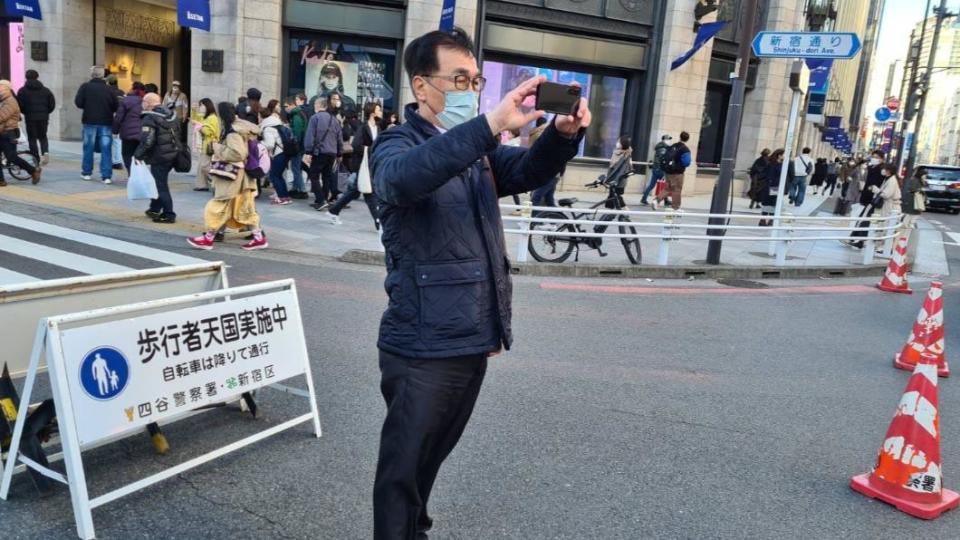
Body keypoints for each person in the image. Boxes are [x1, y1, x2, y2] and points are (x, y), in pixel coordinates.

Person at [370, 27, 590, 539]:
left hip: (470, 337)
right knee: (401, 472)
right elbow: (402, 179)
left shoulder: (477, 151)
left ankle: (414, 530)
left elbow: (530, 168)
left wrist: (560, 133)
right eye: (460, 79)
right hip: (421, 345)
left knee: (431, 457)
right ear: (422, 87)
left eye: (477, 79)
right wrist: (489, 125)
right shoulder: (396, 144)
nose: (471, 89)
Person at [186, 116, 268, 251]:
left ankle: (208, 238)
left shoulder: (233, 133)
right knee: (243, 208)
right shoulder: (243, 130)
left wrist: (217, 147)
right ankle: (258, 238)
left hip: (234, 177)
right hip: (242, 178)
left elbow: (237, 154)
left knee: (220, 205)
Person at [326, 101, 381, 227]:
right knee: (369, 192)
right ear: (372, 112)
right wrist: (370, 150)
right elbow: (356, 145)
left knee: (355, 191)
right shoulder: (363, 127)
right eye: (378, 110)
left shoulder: (377, 127)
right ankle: (378, 221)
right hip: (362, 164)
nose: (380, 112)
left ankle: (333, 210)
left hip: (370, 164)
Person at [135, 93, 179, 224]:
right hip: (172, 154)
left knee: (161, 185)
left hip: (159, 156)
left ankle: (169, 214)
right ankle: (154, 208)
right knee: (157, 182)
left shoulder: (150, 118)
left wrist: (138, 155)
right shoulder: (171, 115)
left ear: (148, 103)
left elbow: (147, 140)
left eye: (143, 101)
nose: (142, 103)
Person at [75, 65, 118, 184]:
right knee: (106, 149)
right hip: (106, 121)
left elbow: (78, 103)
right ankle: (106, 176)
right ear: (103, 75)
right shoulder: (110, 89)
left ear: (92, 75)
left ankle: (87, 172)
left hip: (89, 120)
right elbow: (116, 106)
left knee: (88, 147)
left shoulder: (85, 87)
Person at [0, 80, 42, 186]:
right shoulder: (4, 100)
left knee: (11, 157)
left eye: (1, 87)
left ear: (6, 89)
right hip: (3, 133)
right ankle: (1, 180)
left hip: (8, 133)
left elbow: (2, 116)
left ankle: (33, 170)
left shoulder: (10, 101)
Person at [304, 96, 342, 209]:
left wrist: (308, 151)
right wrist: (339, 153)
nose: (314, 106)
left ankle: (320, 200)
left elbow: (310, 136)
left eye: (315, 104)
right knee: (326, 176)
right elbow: (339, 138)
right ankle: (323, 199)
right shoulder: (334, 120)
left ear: (320, 105)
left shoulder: (315, 118)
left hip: (319, 151)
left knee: (313, 175)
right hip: (332, 153)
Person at [16, 69, 56, 165]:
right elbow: (52, 104)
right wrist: (46, 112)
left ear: (26, 77)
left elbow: (19, 105)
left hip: (30, 117)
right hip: (43, 117)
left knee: (32, 138)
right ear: (37, 77)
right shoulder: (46, 90)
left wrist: (25, 112)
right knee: (43, 136)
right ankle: (45, 152)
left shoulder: (22, 91)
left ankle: (35, 157)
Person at [259, 100, 293, 205]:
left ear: (262, 117)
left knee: (274, 175)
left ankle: (283, 197)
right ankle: (285, 197)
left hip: (279, 153)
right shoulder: (277, 123)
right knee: (278, 175)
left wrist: (260, 143)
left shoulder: (268, 127)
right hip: (285, 151)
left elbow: (270, 144)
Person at [651, 131, 690, 211]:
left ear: (680, 137)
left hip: (668, 171)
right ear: (687, 139)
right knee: (677, 189)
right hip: (677, 173)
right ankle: (675, 207)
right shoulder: (685, 149)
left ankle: (656, 200)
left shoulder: (672, 146)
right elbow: (686, 162)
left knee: (667, 188)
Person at [112, 81, 145, 177]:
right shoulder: (145, 100)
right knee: (139, 155)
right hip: (142, 133)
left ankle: (132, 174)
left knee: (127, 154)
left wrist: (115, 131)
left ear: (133, 89)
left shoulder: (126, 100)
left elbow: (118, 118)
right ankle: (139, 174)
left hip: (128, 133)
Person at [191, 98, 220, 191]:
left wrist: (199, 127)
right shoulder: (206, 117)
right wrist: (193, 110)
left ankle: (217, 180)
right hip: (204, 144)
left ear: (207, 106)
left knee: (204, 165)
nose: (200, 108)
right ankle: (201, 185)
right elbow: (194, 120)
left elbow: (209, 132)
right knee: (201, 165)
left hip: (209, 144)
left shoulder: (212, 118)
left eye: (201, 105)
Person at [901, 167, 928, 268]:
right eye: (924, 175)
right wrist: (920, 189)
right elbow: (912, 189)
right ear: (920, 174)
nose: (925, 177)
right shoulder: (915, 180)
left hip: (916, 202)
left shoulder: (921, 181)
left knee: (914, 214)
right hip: (913, 201)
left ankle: (908, 225)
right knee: (911, 214)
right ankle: (906, 225)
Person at [284, 96, 310, 198]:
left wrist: (294, 144)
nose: (285, 108)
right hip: (300, 146)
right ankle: (296, 188)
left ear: (292, 105)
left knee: (296, 168)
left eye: (286, 106)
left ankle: (302, 190)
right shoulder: (298, 114)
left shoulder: (296, 116)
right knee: (296, 167)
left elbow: (297, 133)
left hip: (297, 147)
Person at [759, 149, 791, 226]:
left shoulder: (781, 163)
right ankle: (764, 220)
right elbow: (770, 176)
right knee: (770, 203)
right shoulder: (772, 164)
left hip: (776, 187)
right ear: (779, 155)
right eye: (784, 155)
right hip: (773, 187)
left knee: (773, 203)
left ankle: (768, 220)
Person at [641, 134, 671, 206]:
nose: (669, 141)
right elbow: (663, 160)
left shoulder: (661, 147)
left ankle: (644, 199)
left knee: (652, 185)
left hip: (656, 169)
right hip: (660, 170)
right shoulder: (663, 149)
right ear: (664, 140)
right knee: (666, 185)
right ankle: (665, 200)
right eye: (668, 139)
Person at [106, 75, 126, 170]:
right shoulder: (122, 92)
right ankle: (117, 161)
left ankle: (109, 160)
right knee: (117, 140)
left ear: (109, 82)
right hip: (120, 118)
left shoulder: (107, 92)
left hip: (109, 117)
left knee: (107, 140)